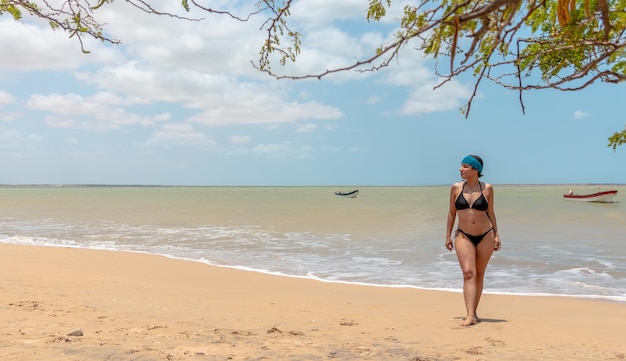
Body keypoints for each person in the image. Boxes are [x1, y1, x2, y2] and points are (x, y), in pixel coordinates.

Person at [445, 155, 501, 327]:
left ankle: (473, 313)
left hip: (486, 235)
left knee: (479, 274)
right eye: (461, 166)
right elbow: (452, 213)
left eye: (465, 166)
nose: (461, 169)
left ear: (475, 170)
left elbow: (491, 212)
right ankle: (469, 315)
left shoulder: (487, 188)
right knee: (468, 273)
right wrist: (447, 235)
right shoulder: (456, 188)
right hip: (463, 235)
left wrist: (497, 235)